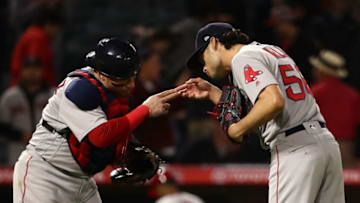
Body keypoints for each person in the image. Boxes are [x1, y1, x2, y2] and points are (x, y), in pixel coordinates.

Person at [179, 22, 345, 203]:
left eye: (203, 59)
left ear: (214, 43)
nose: (203, 67)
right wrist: (213, 93)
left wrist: (237, 129)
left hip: (296, 149)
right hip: (325, 144)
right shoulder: (268, 50)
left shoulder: (242, 59)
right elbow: (265, 109)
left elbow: (273, 101)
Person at [12, 37, 180, 203]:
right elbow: (100, 136)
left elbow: (115, 131)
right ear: (101, 74)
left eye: (132, 78)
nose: (130, 85)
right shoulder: (79, 88)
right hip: (44, 175)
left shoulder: (117, 94)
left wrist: (131, 150)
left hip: (82, 180)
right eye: (122, 81)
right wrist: (145, 110)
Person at [310, 49, 360, 167]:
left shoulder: (313, 93)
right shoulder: (353, 95)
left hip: (319, 147)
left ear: (320, 70)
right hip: (345, 150)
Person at [0, 57, 53, 165]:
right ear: (22, 71)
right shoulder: (10, 97)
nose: (32, 72)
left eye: (36, 68)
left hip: (48, 154)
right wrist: (21, 135)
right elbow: (2, 126)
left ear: (42, 71)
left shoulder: (53, 95)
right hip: (17, 153)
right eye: (28, 68)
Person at [10, 6, 64, 87]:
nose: (57, 32)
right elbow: (33, 68)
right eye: (57, 28)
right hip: (31, 90)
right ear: (49, 24)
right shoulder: (37, 39)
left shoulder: (35, 35)